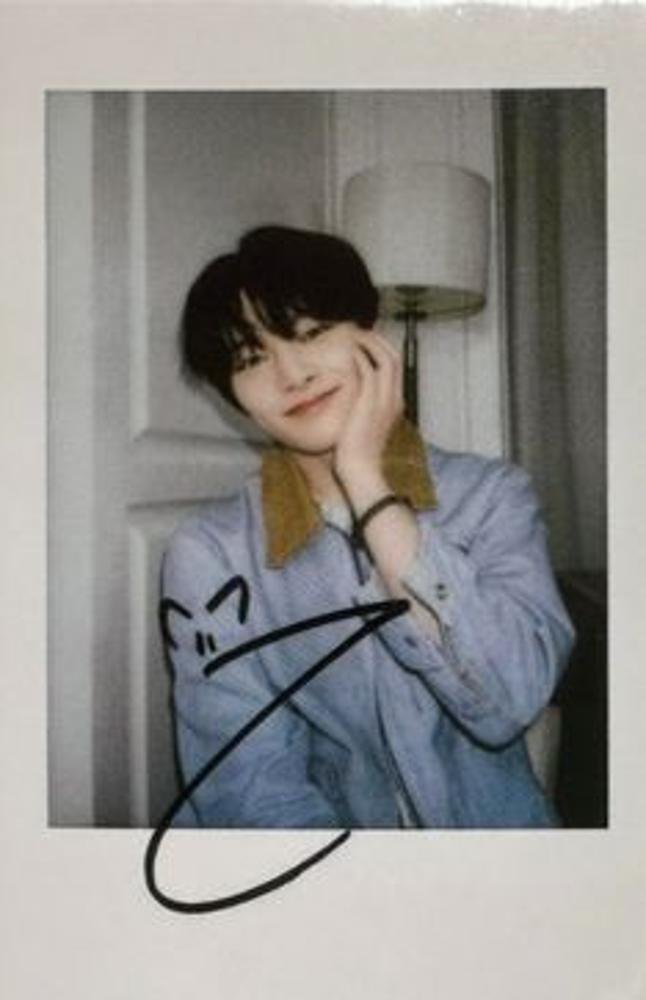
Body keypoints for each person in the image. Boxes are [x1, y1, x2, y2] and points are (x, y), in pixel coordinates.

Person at [160, 224, 574, 829]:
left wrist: (369, 485)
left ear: (371, 332)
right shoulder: (211, 554)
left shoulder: (491, 496)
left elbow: (509, 702)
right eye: (251, 358)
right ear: (234, 396)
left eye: (310, 332)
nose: (292, 374)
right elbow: (247, 786)